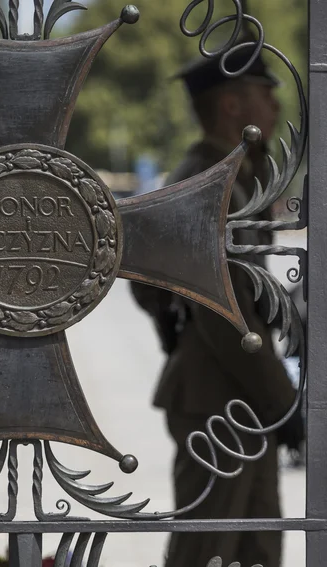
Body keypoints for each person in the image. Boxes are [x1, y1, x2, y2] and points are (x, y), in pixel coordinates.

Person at [131, 43, 304, 567]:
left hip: (236, 391)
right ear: (233, 106)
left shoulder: (230, 172)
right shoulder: (206, 182)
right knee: (208, 549)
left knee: (254, 547)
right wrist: (282, 402)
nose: (276, 110)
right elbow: (220, 309)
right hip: (221, 395)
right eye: (266, 96)